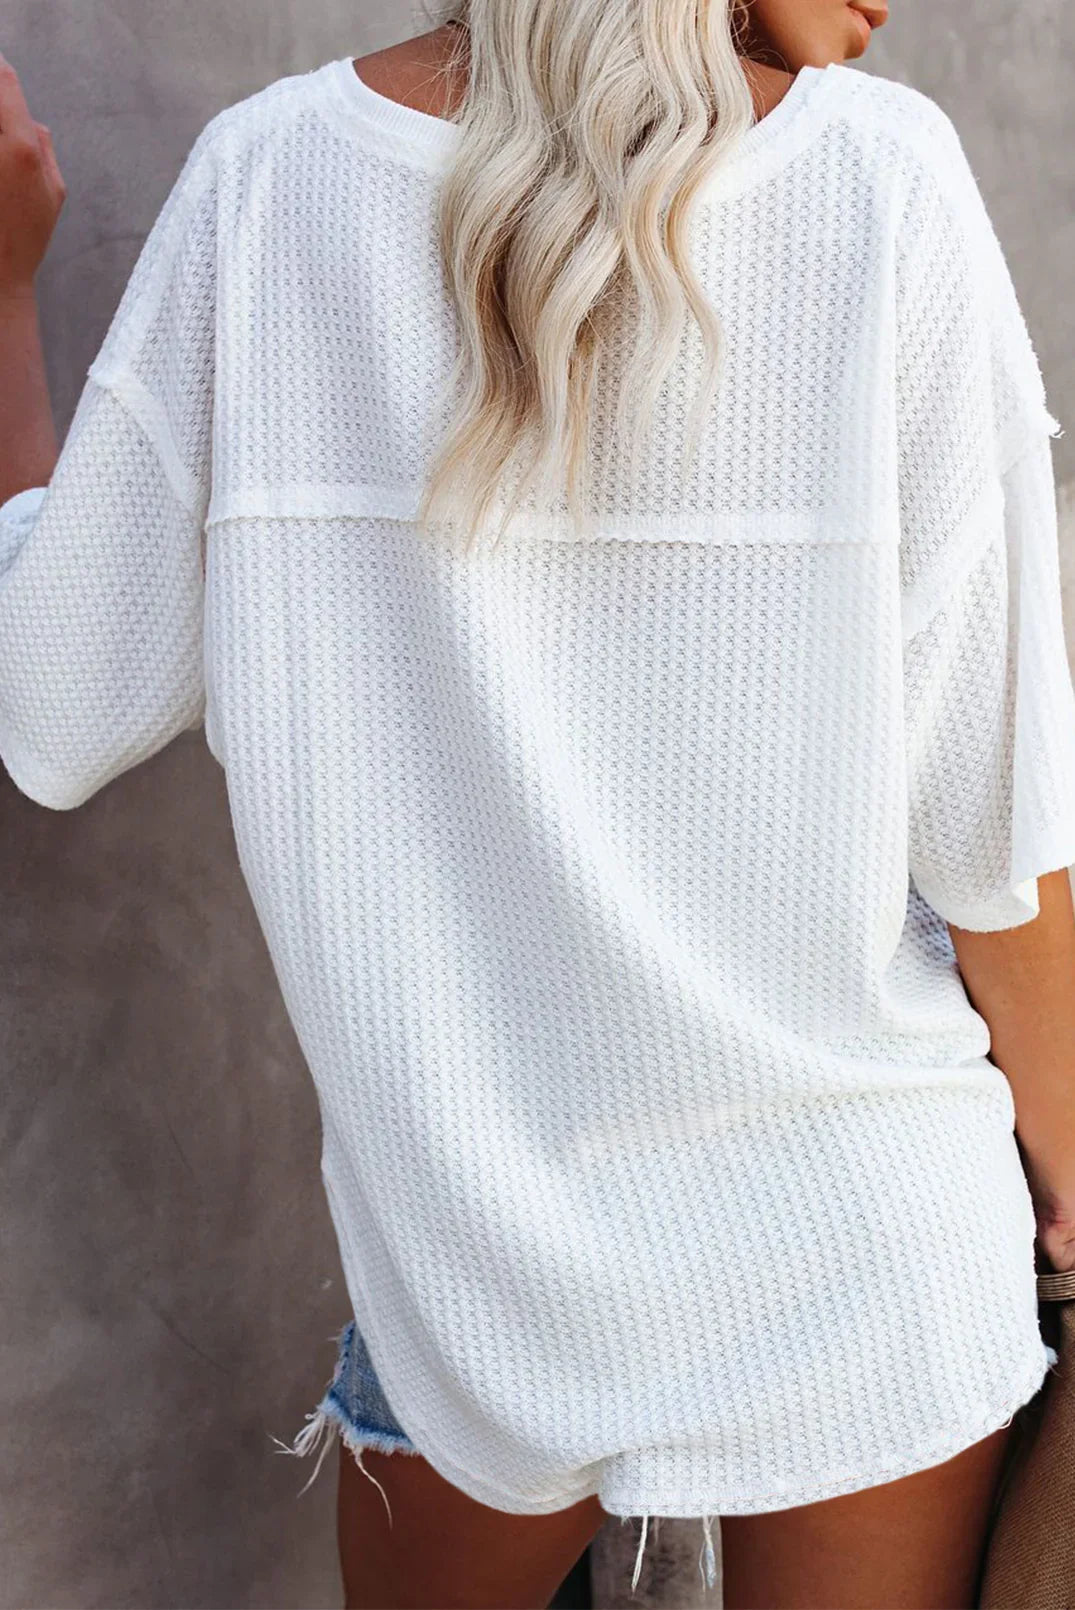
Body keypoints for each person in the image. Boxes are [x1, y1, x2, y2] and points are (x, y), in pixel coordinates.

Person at [3, 2, 1075, 1605]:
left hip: (472, 1289)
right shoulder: (883, 184)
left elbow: (53, 703)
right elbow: (998, 849)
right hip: (859, 1255)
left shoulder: (266, 188)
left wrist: (2, 296)